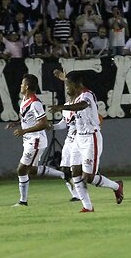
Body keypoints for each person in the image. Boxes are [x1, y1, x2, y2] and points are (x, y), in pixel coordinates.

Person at [49, 71, 124, 213]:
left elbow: (82, 105)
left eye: (68, 85)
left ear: (76, 85)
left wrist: (61, 107)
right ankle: (87, 206)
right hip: (78, 139)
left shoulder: (87, 95)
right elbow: (68, 116)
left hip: (91, 138)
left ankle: (116, 186)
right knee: (75, 172)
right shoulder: (74, 98)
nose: (66, 88)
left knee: (88, 177)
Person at [5, 74, 71, 207]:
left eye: (23, 84)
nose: (21, 86)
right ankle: (63, 174)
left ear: (27, 86)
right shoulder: (25, 99)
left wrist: (24, 131)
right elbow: (28, 119)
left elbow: (43, 123)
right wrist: (17, 123)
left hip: (35, 141)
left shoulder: (35, 103)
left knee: (21, 170)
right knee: (32, 170)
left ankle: (23, 201)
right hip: (29, 139)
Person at [48, 70, 82, 202]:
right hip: (69, 140)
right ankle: (76, 195)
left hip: (81, 138)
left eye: (68, 87)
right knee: (65, 170)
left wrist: (63, 78)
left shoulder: (81, 102)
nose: (67, 89)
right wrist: (52, 127)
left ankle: (112, 185)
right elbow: (64, 124)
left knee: (78, 171)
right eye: (66, 87)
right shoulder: (66, 106)